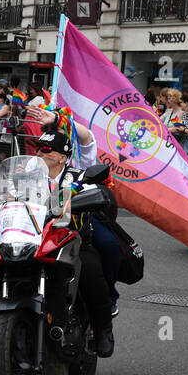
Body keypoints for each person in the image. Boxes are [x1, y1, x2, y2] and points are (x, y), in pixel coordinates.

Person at [29, 128, 114, 356]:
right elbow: (4, 197)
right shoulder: (25, 177)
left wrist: (93, 196)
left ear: (63, 157)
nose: (39, 153)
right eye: (38, 148)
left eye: (46, 150)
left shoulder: (77, 177)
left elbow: (99, 194)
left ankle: (102, 329)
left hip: (71, 243)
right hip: (33, 242)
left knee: (92, 273)